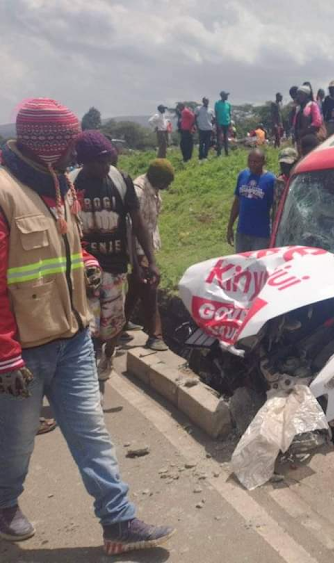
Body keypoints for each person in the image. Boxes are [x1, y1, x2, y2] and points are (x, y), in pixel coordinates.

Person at [0, 98, 174, 554]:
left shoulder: (59, 186)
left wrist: (89, 262)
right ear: (47, 142)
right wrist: (6, 353)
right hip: (25, 347)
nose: (75, 149)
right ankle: (3, 504)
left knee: (92, 434)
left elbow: (68, 247)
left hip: (73, 335)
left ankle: (118, 521)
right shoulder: (4, 192)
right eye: (68, 140)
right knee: (16, 444)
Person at [72, 131, 159, 382]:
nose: (105, 166)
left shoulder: (121, 181)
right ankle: (89, 366)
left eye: (108, 159)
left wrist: (149, 261)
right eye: (99, 161)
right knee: (88, 325)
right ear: (84, 161)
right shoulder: (70, 183)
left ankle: (108, 355)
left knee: (113, 321)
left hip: (115, 266)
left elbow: (138, 223)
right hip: (83, 269)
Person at [124, 159, 173, 351]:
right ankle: (155, 336)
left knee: (136, 288)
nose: (168, 186)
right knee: (150, 287)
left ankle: (119, 326)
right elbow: (131, 229)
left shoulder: (152, 190)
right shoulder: (138, 192)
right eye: (166, 182)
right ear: (157, 178)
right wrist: (136, 262)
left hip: (146, 248)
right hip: (138, 249)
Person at [226, 149, 276, 253]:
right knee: (241, 264)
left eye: (256, 162)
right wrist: (230, 226)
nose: (252, 164)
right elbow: (237, 202)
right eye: (250, 161)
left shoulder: (271, 180)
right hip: (242, 232)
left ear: (263, 163)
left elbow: (275, 208)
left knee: (258, 265)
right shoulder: (243, 175)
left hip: (261, 234)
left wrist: (275, 232)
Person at [293, 85, 323, 154]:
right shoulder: (298, 108)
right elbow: (295, 123)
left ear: (306, 95)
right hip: (300, 138)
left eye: (301, 94)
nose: (299, 96)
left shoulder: (313, 105)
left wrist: (305, 130)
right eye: (298, 94)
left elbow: (317, 122)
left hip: (310, 137)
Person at [273, 147, 298, 224]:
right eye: (282, 165)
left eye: (288, 165)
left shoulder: (301, 181)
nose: (285, 168)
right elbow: (275, 205)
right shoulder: (279, 182)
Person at [195, 97, 214, 161]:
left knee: (207, 144)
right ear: (203, 101)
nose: (207, 102)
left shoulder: (211, 110)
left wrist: (212, 126)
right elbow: (195, 117)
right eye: (205, 101)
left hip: (209, 129)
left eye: (207, 101)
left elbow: (214, 119)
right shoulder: (198, 108)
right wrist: (197, 126)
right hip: (201, 129)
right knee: (201, 144)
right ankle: (200, 156)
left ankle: (205, 156)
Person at [214, 91, 232, 156]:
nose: (227, 97)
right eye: (226, 95)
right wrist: (217, 124)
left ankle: (227, 153)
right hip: (220, 123)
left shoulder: (228, 104)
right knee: (219, 139)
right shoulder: (217, 103)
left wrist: (230, 124)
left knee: (226, 139)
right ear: (222, 96)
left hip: (227, 123)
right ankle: (219, 153)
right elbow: (216, 114)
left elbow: (229, 114)